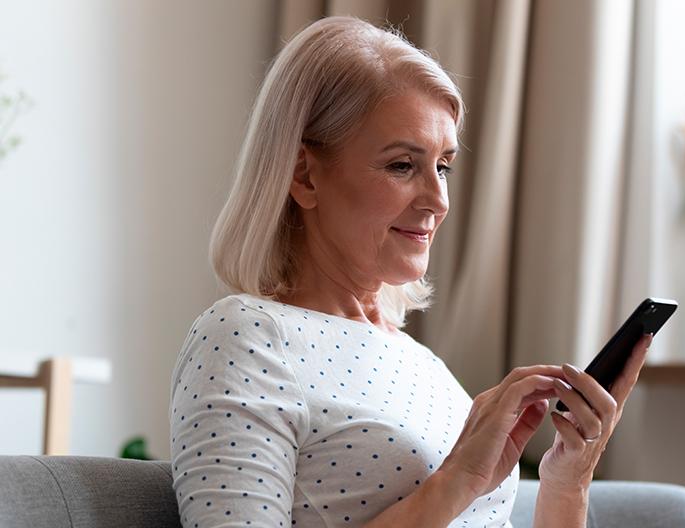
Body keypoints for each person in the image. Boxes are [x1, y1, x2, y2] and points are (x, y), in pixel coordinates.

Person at [169, 15, 652, 528]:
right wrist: (457, 479)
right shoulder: (246, 337)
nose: (438, 200)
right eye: (402, 165)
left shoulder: (424, 367)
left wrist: (568, 479)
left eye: (443, 166)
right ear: (304, 175)